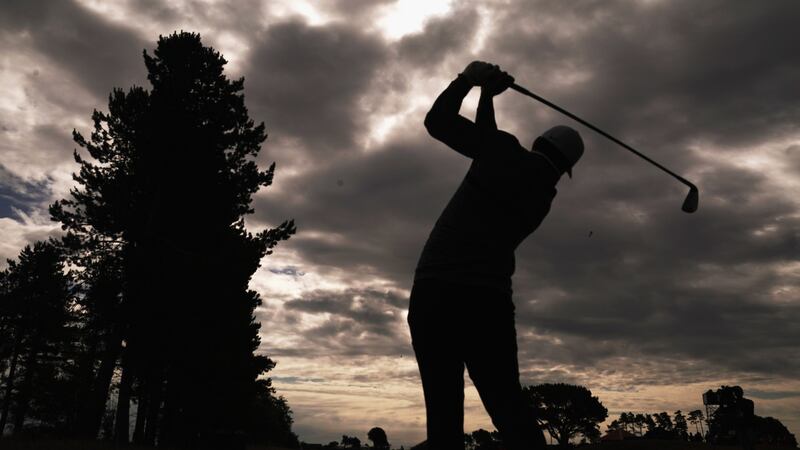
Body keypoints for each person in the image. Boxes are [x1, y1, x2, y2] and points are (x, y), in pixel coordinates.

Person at [407, 61, 584, 450]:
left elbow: (439, 122)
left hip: (436, 292)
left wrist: (470, 81)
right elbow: (490, 143)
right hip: (488, 303)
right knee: (508, 408)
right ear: (564, 169)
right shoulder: (543, 196)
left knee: (444, 420)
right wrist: (487, 96)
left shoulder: (502, 152)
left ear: (538, 142)